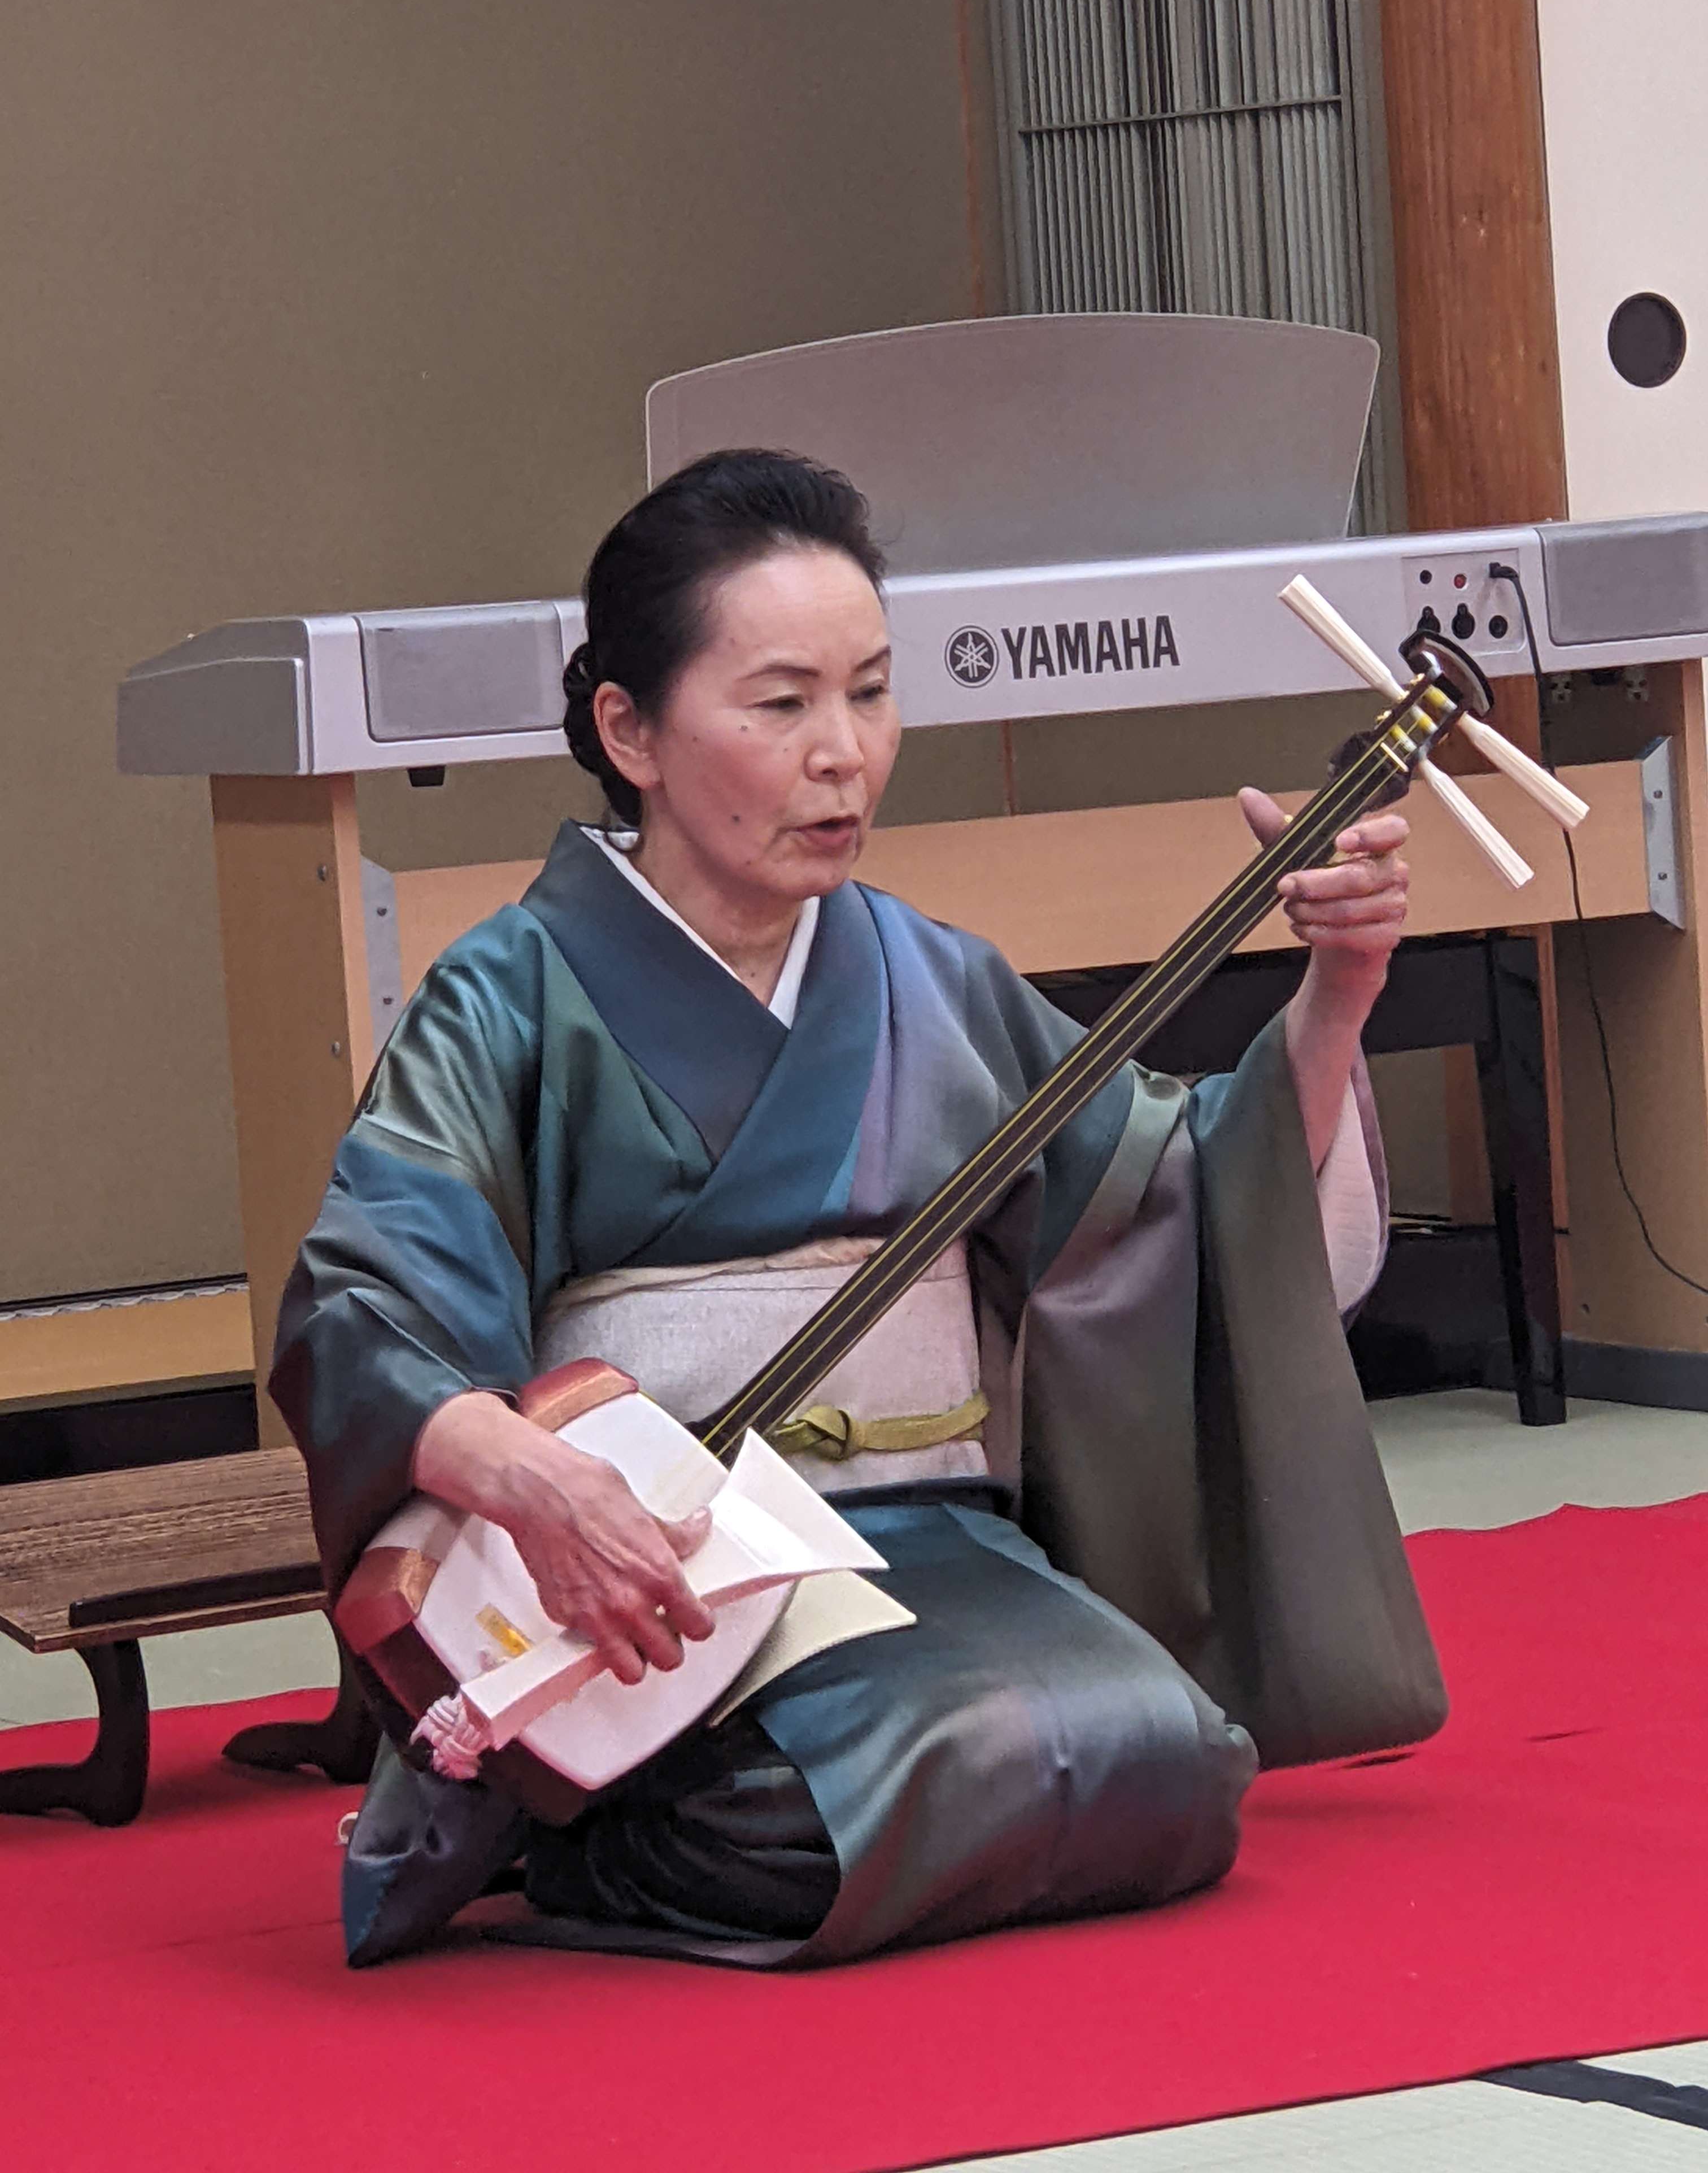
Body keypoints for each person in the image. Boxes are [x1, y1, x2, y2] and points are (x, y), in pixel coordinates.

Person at [273, 448, 1444, 1970]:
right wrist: (535, 1483)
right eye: (782, 705)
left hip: (927, 1531)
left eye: (873, 694)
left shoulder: (927, 978)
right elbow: (361, 1307)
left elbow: (1184, 1199)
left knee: (1165, 1758)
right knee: (824, 1800)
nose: (846, 756)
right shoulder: (510, 997)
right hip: (665, 1569)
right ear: (629, 730)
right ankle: (596, 1819)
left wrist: (1337, 993)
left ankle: (658, 1825)